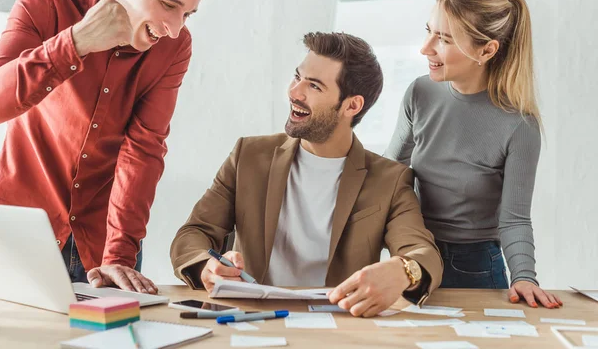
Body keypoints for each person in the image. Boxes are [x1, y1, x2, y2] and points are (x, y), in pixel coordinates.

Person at [170, 32, 443, 317]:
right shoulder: (248, 156)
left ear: (352, 106)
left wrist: (403, 270)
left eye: (313, 86)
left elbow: (423, 252)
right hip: (253, 318)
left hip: (338, 324)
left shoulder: (389, 179)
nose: (294, 92)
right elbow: (194, 233)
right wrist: (206, 266)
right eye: (297, 77)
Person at [0, 0, 213, 293]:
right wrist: (76, 42)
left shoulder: (175, 47)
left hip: (106, 253)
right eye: (169, 5)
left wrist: (120, 253)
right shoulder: (47, 2)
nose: (174, 29)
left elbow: (144, 149)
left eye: (187, 14)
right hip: (21, 236)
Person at [385, 0, 562, 309]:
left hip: (475, 267)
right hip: (415, 259)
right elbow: (389, 174)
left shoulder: (519, 125)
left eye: (445, 39)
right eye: (429, 31)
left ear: (487, 49)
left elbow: (515, 218)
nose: (425, 48)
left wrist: (524, 276)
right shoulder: (420, 93)